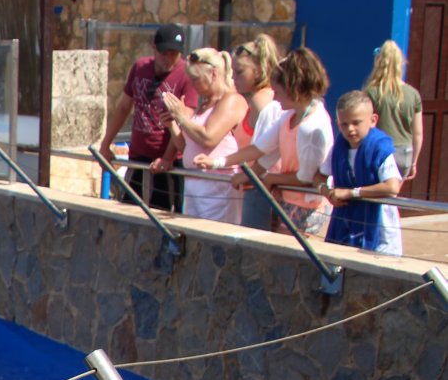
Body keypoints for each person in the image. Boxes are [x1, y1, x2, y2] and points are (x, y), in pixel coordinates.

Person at [196, 48, 333, 237]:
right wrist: (218, 162)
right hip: (288, 203)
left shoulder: (312, 126)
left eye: (278, 92)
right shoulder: (288, 116)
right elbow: (261, 149)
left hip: (309, 210)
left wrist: (271, 179)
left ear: (294, 89)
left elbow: (306, 178)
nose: (274, 98)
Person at [98, 24, 195, 210]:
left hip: (168, 163)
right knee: (129, 211)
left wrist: (167, 158)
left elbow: (184, 121)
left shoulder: (186, 75)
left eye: (174, 54)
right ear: (154, 49)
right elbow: (124, 107)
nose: (168, 59)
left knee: (163, 216)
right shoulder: (140, 67)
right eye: (164, 53)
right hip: (138, 157)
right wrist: (105, 144)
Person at [159, 47, 247, 224]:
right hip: (195, 187)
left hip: (216, 189)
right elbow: (187, 147)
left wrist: (182, 118)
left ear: (213, 74)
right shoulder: (204, 105)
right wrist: (172, 125)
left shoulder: (231, 100)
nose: (192, 85)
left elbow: (209, 138)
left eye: (196, 80)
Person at [320, 90, 403, 255]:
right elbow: (319, 177)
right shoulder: (339, 147)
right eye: (344, 124)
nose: (350, 129)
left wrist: (351, 193)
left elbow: (392, 187)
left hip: (378, 229)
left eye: (356, 123)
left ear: (373, 120)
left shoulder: (380, 149)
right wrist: (326, 191)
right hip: (345, 223)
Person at [231, 36, 282, 229]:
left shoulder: (261, 101)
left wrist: (247, 176)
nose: (234, 78)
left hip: (259, 188)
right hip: (256, 186)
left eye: (240, 72)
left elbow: (270, 150)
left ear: (259, 70)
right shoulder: (265, 98)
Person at [364, 41, 423, 185]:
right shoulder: (413, 93)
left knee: (377, 201)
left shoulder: (371, 92)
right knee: (390, 201)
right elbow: (418, 133)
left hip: (379, 151)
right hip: (405, 154)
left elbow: (364, 127)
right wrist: (414, 162)